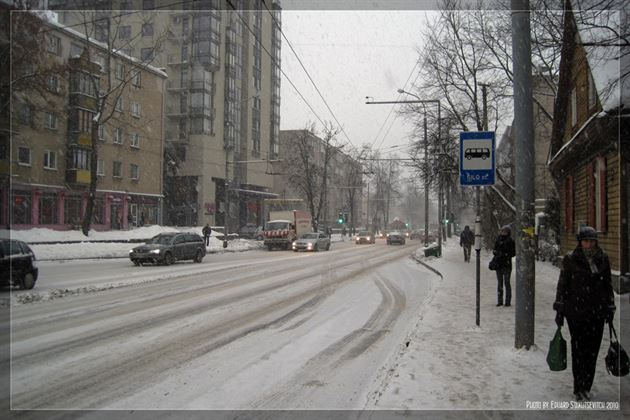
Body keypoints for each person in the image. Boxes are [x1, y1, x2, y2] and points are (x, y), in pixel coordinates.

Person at [553, 226, 615, 402]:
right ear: (580, 242)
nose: (589, 244)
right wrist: (560, 308)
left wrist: (610, 307)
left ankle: (587, 386)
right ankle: (578, 387)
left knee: (592, 351)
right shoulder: (571, 259)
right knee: (579, 350)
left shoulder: (602, 259)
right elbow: (563, 285)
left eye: (592, 241)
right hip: (576, 313)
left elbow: (607, 285)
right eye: (586, 241)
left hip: (597, 312)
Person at [492, 225, 515, 307]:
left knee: (507, 282)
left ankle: (507, 301)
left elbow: (513, 252)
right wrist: (496, 253)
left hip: (507, 264)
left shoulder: (511, 241)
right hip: (499, 264)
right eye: (502, 231)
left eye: (504, 231)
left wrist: (506, 254)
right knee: (500, 283)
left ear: (508, 232)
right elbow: (494, 249)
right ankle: (500, 301)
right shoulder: (498, 239)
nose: (503, 232)